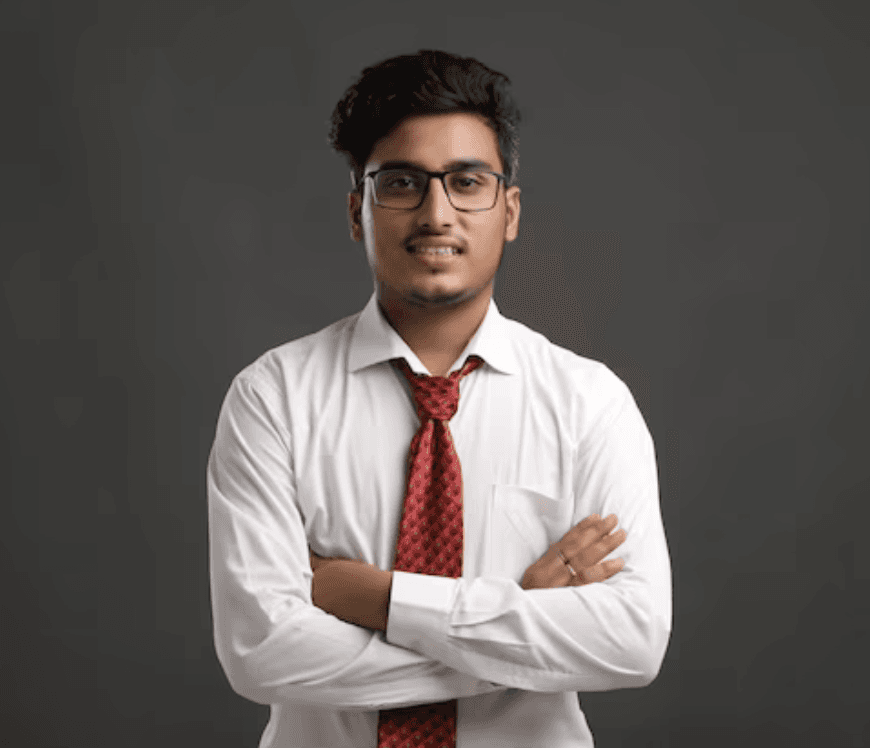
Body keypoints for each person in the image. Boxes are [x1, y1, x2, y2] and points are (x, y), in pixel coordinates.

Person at [207, 49, 672, 748]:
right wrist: (516, 630)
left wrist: (379, 599)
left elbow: (633, 640)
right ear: (357, 210)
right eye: (401, 183)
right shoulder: (273, 398)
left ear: (509, 210)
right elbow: (262, 652)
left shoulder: (589, 404)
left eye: (467, 182)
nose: (436, 213)